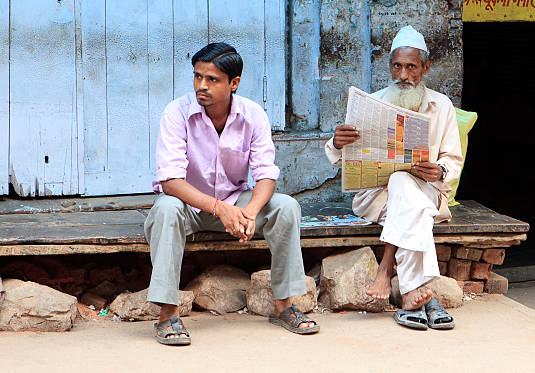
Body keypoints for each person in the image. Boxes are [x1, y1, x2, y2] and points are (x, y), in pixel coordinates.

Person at [145, 42, 319, 345]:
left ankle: (284, 307)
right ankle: (167, 315)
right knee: (165, 208)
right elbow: (171, 180)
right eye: (198, 76)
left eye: (212, 79)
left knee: (286, 207)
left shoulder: (253, 115)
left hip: (235, 203)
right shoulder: (176, 113)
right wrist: (220, 209)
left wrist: (249, 212)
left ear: (233, 83)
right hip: (189, 205)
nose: (202, 86)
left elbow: (265, 175)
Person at [325, 26, 462, 330]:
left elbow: (452, 160)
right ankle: (424, 293)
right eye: (397, 66)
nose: (403, 74)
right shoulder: (371, 103)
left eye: (411, 66)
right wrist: (337, 142)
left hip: (426, 192)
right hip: (377, 198)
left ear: (425, 68)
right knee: (402, 187)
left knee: (405, 185)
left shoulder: (442, 106)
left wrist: (439, 170)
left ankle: (393, 277)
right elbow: (335, 155)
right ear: (390, 67)